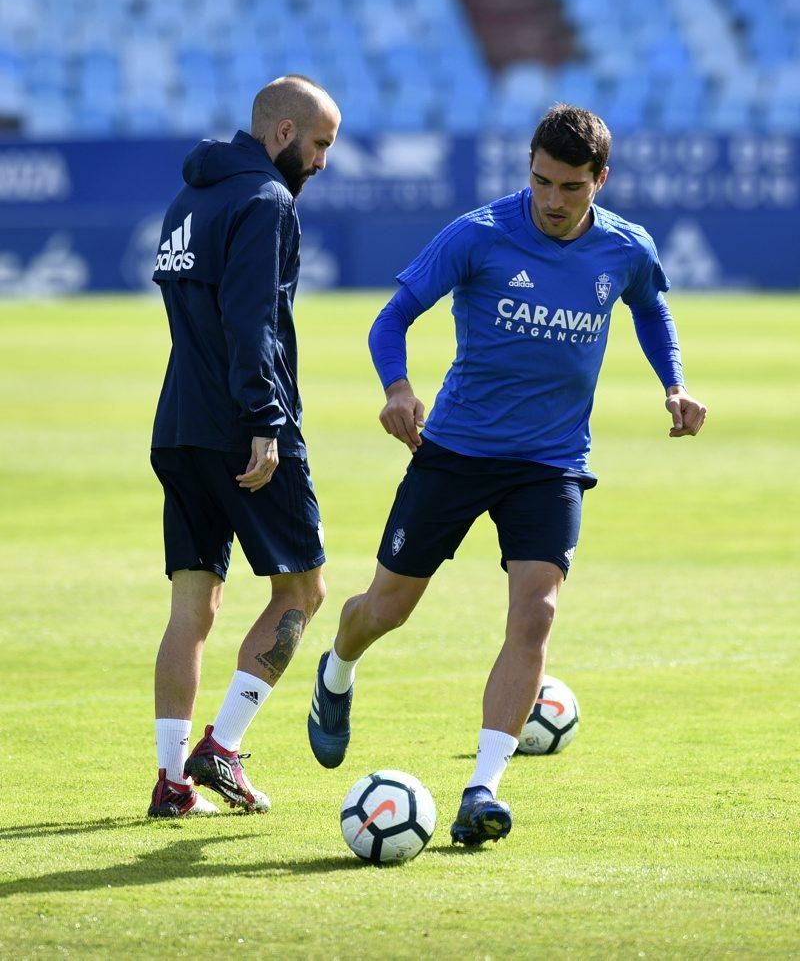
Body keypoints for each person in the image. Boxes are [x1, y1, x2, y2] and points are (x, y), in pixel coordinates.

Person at [306, 103, 706, 846]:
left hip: (552, 462)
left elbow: (651, 308)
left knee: (538, 613)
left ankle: (481, 790)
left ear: (601, 180)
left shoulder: (627, 248)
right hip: (455, 452)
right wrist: (397, 388)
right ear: (527, 167)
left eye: (571, 187)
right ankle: (336, 669)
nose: (552, 201)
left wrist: (673, 384)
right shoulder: (479, 234)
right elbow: (389, 319)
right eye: (541, 181)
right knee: (386, 610)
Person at [147, 75, 341, 818]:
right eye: (321, 144)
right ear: (284, 134)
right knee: (303, 590)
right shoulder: (268, 201)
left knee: (192, 604)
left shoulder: (187, 200)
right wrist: (265, 417)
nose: (324, 161)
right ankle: (221, 748)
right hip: (245, 426)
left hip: (178, 425)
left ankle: (172, 784)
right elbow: (252, 319)